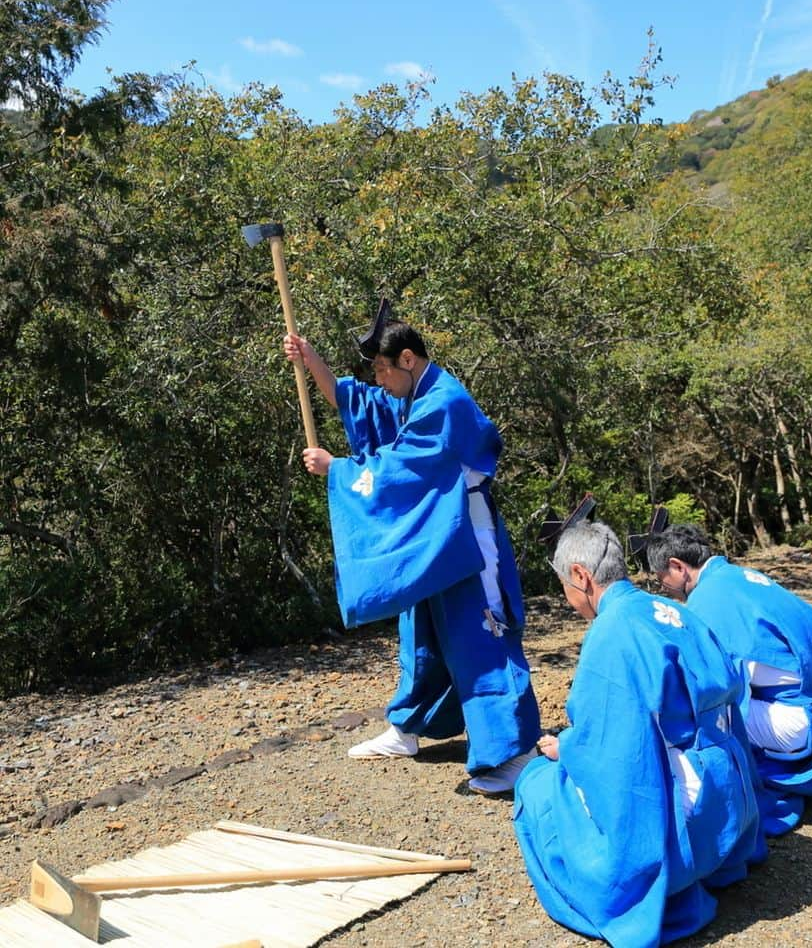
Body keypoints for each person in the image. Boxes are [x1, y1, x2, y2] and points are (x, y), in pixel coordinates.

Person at [284, 300, 541, 794]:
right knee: (422, 630)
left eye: (382, 369)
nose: (378, 381)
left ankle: (514, 749)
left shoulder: (443, 402)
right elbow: (351, 400)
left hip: (465, 530)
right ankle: (410, 727)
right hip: (434, 528)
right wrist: (310, 358)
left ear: (407, 360)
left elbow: (403, 467)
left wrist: (338, 469)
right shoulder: (410, 394)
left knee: (481, 633)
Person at [514, 520, 765, 947]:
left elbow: (615, 749)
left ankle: (655, 882)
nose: (569, 600)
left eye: (565, 587)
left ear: (581, 576)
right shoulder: (680, 612)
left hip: (687, 798)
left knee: (535, 786)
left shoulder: (613, 631)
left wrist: (567, 749)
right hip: (731, 791)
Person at [646, 523, 812, 835]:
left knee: (691, 721)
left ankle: (734, 802)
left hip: (798, 722)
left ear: (678, 567)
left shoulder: (708, 597)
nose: (665, 588)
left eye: (663, 580)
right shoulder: (742, 578)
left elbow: (709, 682)